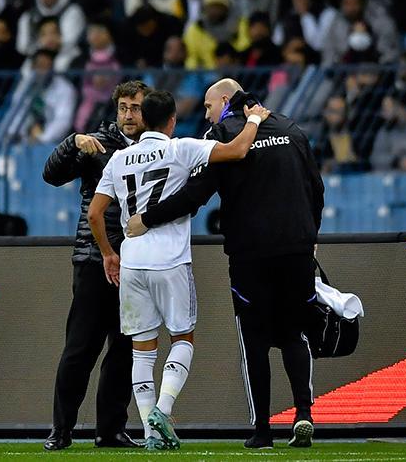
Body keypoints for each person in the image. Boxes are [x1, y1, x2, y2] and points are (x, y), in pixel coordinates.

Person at [127, 79, 323, 450]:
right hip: (296, 248)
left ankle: (263, 429)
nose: (205, 113)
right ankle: (303, 415)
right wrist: (310, 236)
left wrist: (147, 218)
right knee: (296, 332)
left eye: (208, 105)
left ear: (225, 102)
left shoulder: (223, 135)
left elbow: (194, 195)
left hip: (251, 253)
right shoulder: (289, 127)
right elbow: (316, 188)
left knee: (255, 341)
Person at [90, 88, 271, 450]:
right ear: (171, 120)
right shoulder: (179, 148)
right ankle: (163, 408)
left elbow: (95, 213)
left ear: (142, 120)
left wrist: (109, 253)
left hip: (132, 260)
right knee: (183, 338)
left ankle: (149, 433)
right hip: (170, 259)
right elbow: (236, 150)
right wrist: (254, 119)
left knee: (142, 348)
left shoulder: (119, 159)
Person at [41, 80, 151, 451]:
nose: (128, 114)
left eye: (135, 108)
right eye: (123, 107)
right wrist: (72, 141)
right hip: (94, 258)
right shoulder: (97, 143)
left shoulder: (158, 148)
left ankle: (110, 430)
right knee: (80, 349)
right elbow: (51, 175)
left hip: (137, 264)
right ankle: (61, 429)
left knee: (123, 351)